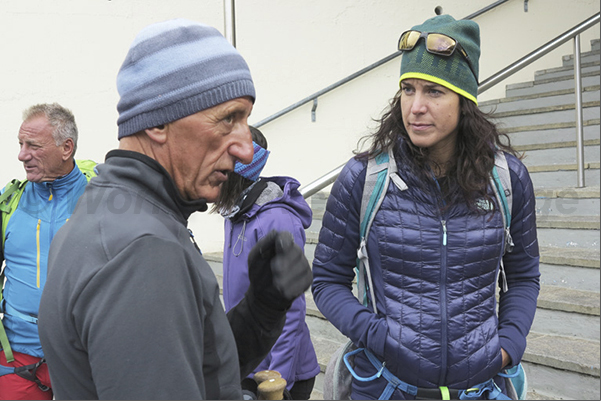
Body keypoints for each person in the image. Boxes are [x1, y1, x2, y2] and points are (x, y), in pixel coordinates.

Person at [37, 19, 312, 400]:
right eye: (228, 119)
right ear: (158, 124)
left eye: (246, 121)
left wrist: (262, 307)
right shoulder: (144, 250)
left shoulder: (109, 209)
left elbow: (196, 364)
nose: (247, 149)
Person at [312, 14, 540, 400]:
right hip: (384, 386)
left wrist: (507, 348)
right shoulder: (364, 179)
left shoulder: (507, 177)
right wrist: (378, 336)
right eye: (408, 89)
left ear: (464, 98)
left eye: (434, 91)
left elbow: (523, 276)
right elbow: (327, 281)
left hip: (482, 387)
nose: (415, 106)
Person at [213, 126, 320, 400]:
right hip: (249, 363)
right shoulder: (234, 214)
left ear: (237, 171)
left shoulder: (278, 220)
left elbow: (292, 308)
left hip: (279, 377)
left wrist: (277, 380)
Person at [0, 103, 92, 400]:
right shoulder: (9, 202)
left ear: (67, 148)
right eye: (20, 144)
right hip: (18, 354)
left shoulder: (101, 198)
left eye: (33, 146)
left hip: (85, 353)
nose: (22, 155)